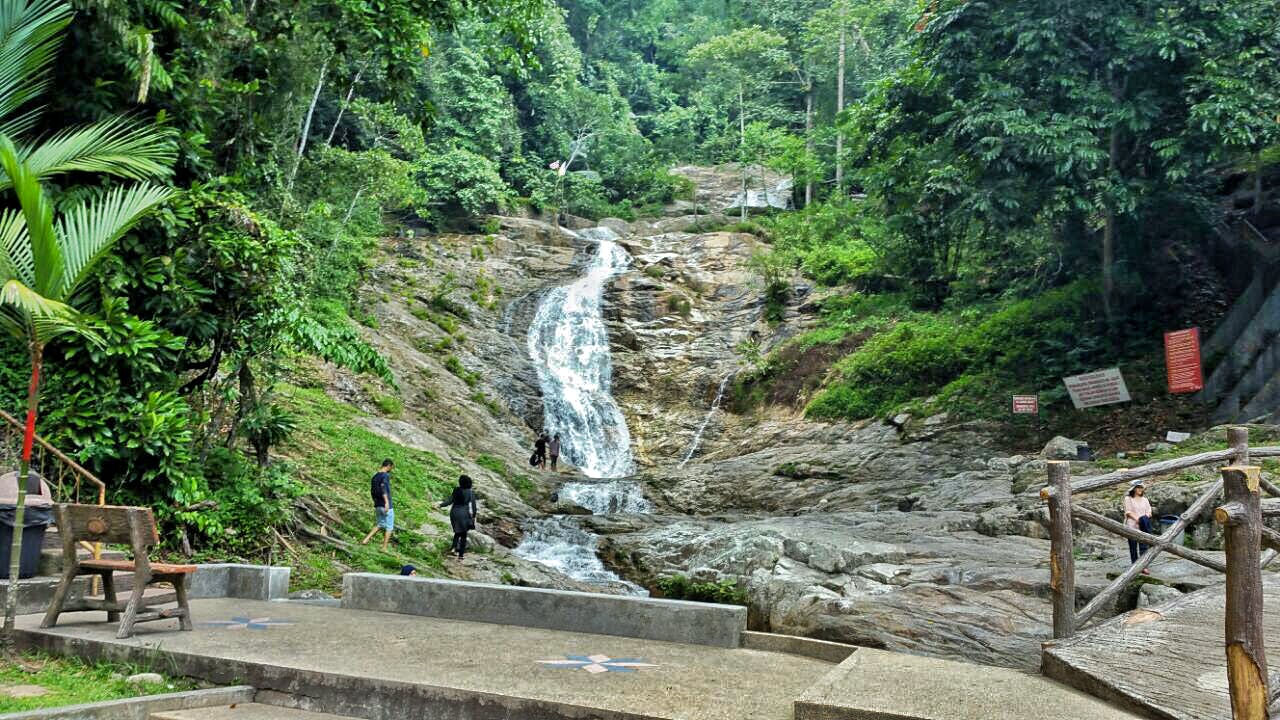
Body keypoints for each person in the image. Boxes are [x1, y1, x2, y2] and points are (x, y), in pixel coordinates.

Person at [440, 474, 478, 559]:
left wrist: (440, 505)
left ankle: (453, 548)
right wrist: (473, 516)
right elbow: (474, 506)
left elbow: (449, 501)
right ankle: (461, 555)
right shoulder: (470, 492)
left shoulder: (456, 490)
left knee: (457, 532)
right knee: (463, 534)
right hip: (464, 514)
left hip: (454, 513)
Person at [361, 459, 395, 551]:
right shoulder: (385, 476)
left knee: (380, 524)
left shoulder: (375, 476)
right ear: (389, 466)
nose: (391, 469)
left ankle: (365, 539)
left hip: (378, 504)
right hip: (386, 505)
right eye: (392, 467)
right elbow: (383, 488)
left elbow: (372, 491)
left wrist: (375, 502)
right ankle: (384, 547)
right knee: (389, 527)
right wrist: (387, 502)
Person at [1124, 479, 1154, 572]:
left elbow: (1149, 511)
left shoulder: (1145, 500)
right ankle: (1135, 566)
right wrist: (1138, 520)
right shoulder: (1128, 499)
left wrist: (1144, 518)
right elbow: (1128, 512)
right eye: (1138, 487)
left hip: (1143, 525)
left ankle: (1143, 566)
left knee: (1144, 545)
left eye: (1141, 487)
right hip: (1132, 525)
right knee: (1133, 546)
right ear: (1134, 489)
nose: (1141, 489)